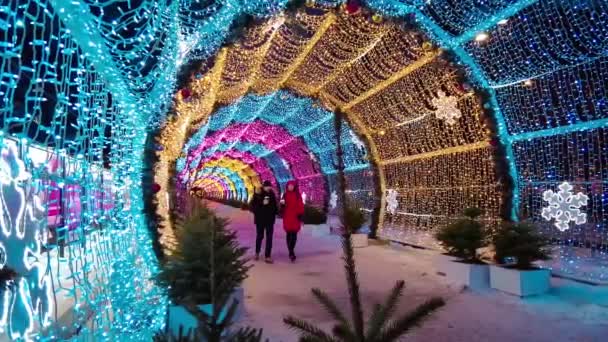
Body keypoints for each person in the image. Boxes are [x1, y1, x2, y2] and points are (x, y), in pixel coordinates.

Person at [250, 181, 278, 263]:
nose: (268, 188)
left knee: (269, 238)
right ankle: (257, 253)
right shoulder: (258, 194)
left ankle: (268, 256)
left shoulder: (272, 195)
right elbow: (252, 206)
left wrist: (276, 212)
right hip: (260, 219)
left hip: (270, 219)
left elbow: (275, 206)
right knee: (260, 236)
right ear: (263, 187)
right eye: (266, 187)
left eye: (269, 187)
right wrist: (260, 206)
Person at [281, 180, 304, 262]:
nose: (290, 187)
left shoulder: (298, 195)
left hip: (295, 217)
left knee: (294, 235)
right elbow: (282, 205)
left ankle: (291, 251)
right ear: (287, 187)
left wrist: (300, 215)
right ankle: (291, 252)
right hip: (287, 216)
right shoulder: (284, 195)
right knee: (288, 234)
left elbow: (300, 205)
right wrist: (282, 208)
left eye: (292, 186)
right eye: (289, 186)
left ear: (294, 187)